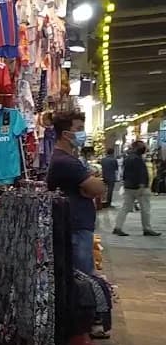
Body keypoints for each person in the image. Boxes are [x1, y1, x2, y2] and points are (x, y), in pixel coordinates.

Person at [47, 111, 104, 274]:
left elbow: (94, 187)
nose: (82, 133)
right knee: (82, 277)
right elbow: (98, 188)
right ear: (65, 134)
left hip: (76, 224)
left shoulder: (67, 159)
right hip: (75, 227)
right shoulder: (65, 162)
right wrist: (91, 184)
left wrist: (90, 184)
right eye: (79, 128)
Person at [113, 141, 161, 237]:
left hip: (129, 187)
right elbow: (141, 173)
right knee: (145, 209)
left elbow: (125, 173)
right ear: (137, 148)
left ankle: (117, 227)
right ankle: (147, 228)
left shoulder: (127, 158)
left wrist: (125, 183)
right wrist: (142, 185)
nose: (145, 149)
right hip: (139, 188)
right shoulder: (137, 159)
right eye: (143, 147)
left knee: (125, 207)